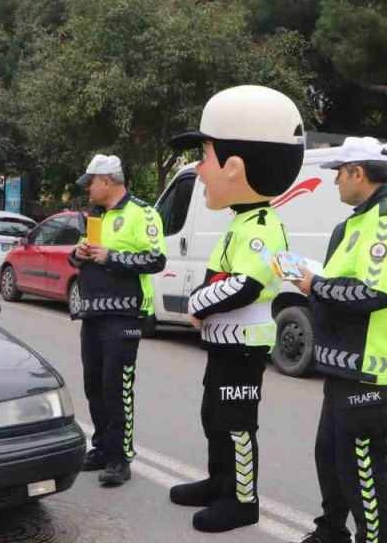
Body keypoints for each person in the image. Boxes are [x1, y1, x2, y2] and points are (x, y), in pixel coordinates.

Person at [166, 85, 306, 533]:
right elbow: (219, 274)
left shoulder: (264, 226)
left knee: (238, 422)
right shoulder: (241, 223)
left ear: (234, 167)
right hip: (224, 341)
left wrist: (197, 302)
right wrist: (205, 300)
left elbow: (247, 284)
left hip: (245, 343)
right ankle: (219, 480)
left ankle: (243, 499)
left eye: (203, 157)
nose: (199, 171)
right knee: (214, 415)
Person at [290, 137, 387, 543]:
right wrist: (317, 281)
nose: (335, 184)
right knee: (330, 455)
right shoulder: (359, 220)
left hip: (368, 366)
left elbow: (374, 293)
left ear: (358, 173)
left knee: (360, 466)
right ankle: (331, 530)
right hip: (343, 362)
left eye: (339, 175)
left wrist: (316, 285)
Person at [68, 154, 167, 487]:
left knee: (117, 387)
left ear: (107, 181)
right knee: (93, 385)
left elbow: (156, 259)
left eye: (90, 182)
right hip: (92, 312)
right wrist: (78, 253)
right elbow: (83, 256)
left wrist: (112, 257)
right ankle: (101, 447)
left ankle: (120, 458)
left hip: (124, 314)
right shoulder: (96, 215)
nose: (87, 189)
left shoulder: (142, 213)